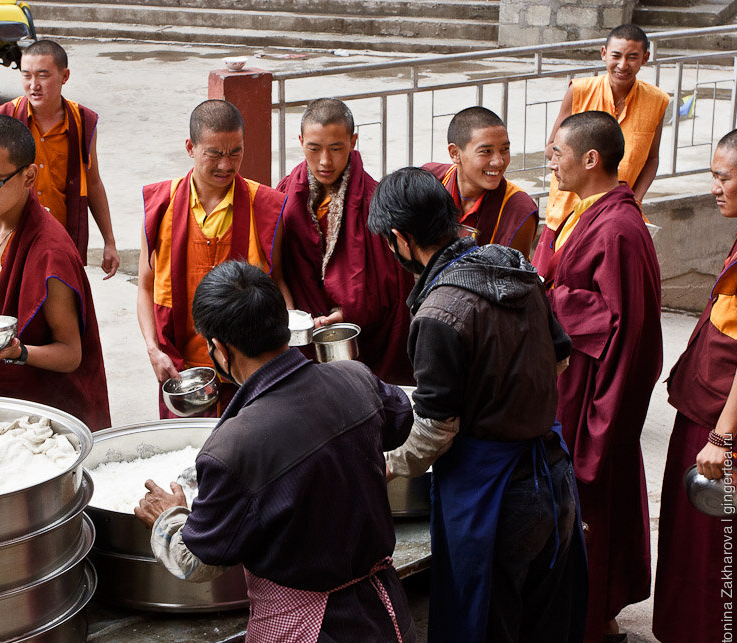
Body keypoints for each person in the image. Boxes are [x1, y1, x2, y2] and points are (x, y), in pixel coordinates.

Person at [135, 260, 417, 643]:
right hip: (384, 622)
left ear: (220, 348)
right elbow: (400, 418)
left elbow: (196, 562)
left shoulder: (232, 448)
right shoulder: (356, 377)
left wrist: (170, 516)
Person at [369, 166, 586, 643]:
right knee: (541, 625)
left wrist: (386, 465)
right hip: (550, 477)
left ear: (400, 238)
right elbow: (559, 355)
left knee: (488, 630)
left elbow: (434, 434)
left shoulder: (439, 313)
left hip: (494, 495)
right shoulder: (514, 266)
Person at [533, 110, 662, 643]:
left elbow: (628, 332)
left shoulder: (619, 229)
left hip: (596, 400)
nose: (550, 161)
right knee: (593, 511)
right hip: (580, 388)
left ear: (590, 159)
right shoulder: (591, 212)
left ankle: (588, 629)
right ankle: (603, 622)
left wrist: (603, 423)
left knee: (591, 511)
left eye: (557, 153)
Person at [0, 114, 111, 432]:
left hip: (42, 414)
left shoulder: (50, 253)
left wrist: (18, 352)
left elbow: (70, 354)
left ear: (29, 177)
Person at [138, 100, 290, 419]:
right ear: (191, 148)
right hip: (183, 373)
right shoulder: (160, 206)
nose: (226, 164)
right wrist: (154, 350)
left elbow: (276, 285)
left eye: (235, 152)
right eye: (214, 153)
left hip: (249, 371)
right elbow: (145, 287)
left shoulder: (265, 207)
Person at [649, 130, 737, 643]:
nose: (714, 188)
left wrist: (722, 438)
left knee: (716, 552)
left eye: (724, 177)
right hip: (701, 406)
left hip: (720, 422)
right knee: (690, 540)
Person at [277, 98, 414, 384]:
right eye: (314, 148)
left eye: (336, 148)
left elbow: (393, 285)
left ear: (353, 141)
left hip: (361, 339)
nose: (325, 161)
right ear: (301, 142)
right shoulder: (284, 195)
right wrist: (293, 314)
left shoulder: (375, 202)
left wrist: (350, 312)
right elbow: (274, 267)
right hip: (303, 332)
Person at [0, 39, 120, 278]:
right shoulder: (3, 120)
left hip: (61, 239)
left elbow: (92, 182)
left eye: (43, 76)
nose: (33, 85)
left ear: (64, 76)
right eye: (26, 76)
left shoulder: (83, 121)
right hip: (12, 238)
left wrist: (109, 242)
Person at [544, 24, 669, 229]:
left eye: (632, 57)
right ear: (604, 53)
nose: (622, 65)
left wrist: (634, 202)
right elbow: (551, 148)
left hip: (617, 214)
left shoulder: (657, 101)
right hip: (567, 211)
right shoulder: (580, 91)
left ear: (645, 58)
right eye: (616, 56)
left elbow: (652, 159)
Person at [421, 106, 538, 256]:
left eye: (505, 149)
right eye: (486, 152)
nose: (498, 161)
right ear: (455, 153)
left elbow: (510, 276)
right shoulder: (431, 180)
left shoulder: (519, 209)